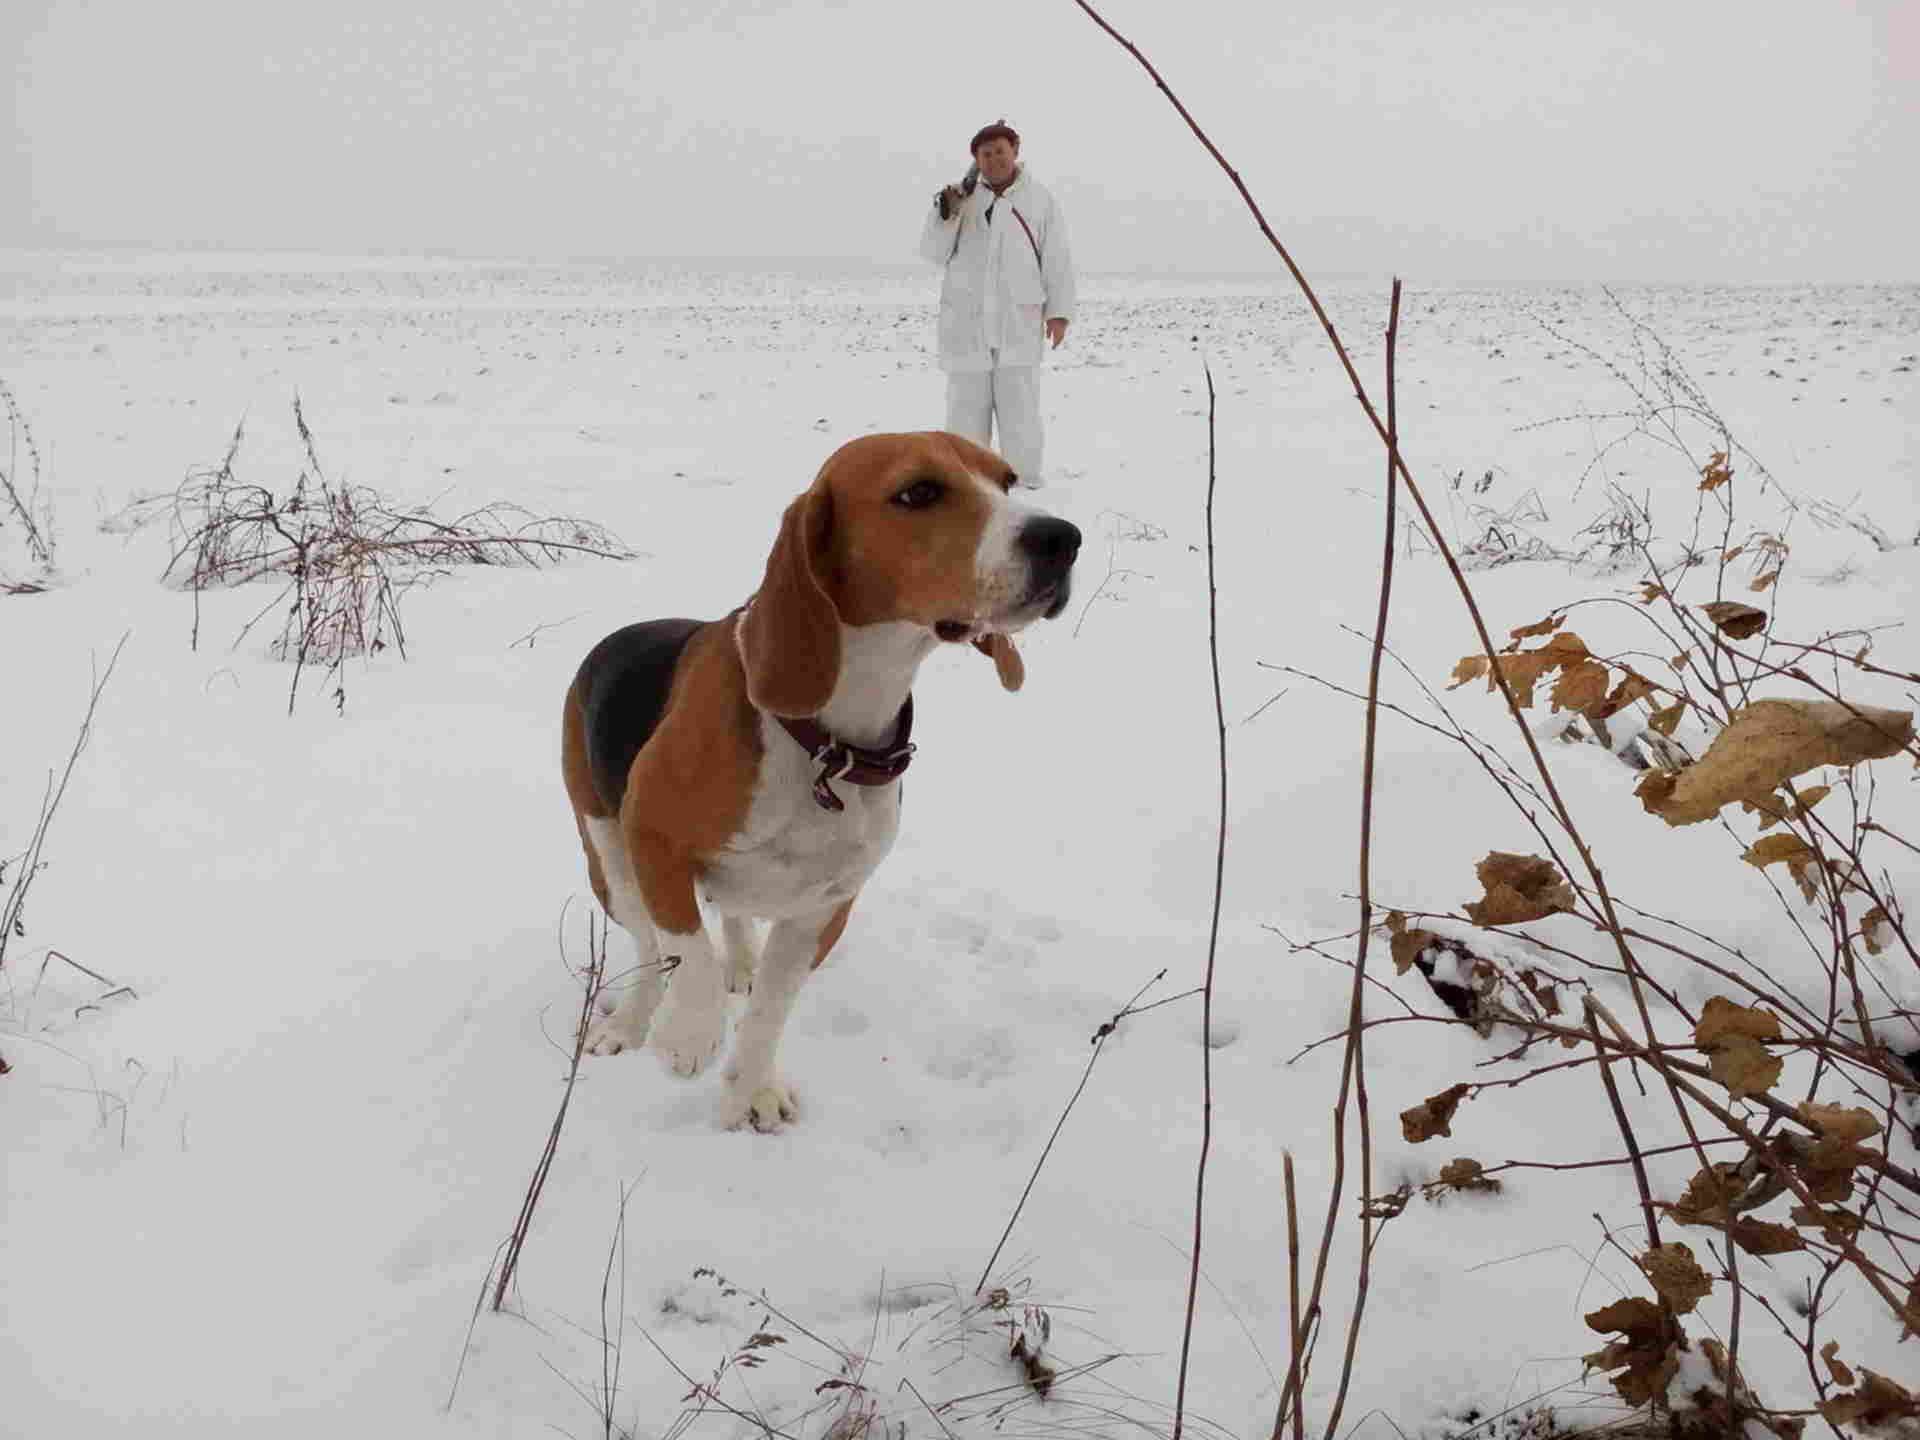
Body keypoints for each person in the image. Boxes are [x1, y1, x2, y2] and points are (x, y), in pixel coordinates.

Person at [917, 121, 1076, 490]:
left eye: (1000, 151)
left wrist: (1059, 314)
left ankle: (1025, 485)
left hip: (1017, 323)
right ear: (975, 159)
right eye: (985, 154)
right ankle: (966, 485)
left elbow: (1057, 259)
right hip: (967, 325)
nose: (994, 159)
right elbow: (932, 252)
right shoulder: (960, 197)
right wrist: (945, 213)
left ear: (1015, 150)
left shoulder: (1040, 200)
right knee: (964, 414)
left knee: (1020, 413)